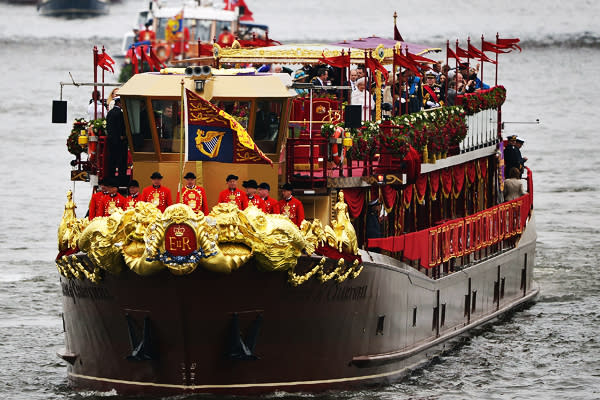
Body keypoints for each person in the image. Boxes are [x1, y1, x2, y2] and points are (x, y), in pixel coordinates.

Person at [106, 96, 129, 185]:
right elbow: (121, 127)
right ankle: (121, 181)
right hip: (120, 142)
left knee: (112, 161)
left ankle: (111, 179)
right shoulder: (120, 114)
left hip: (111, 142)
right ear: (119, 103)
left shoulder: (110, 113)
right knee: (121, 163)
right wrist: (123, 136)